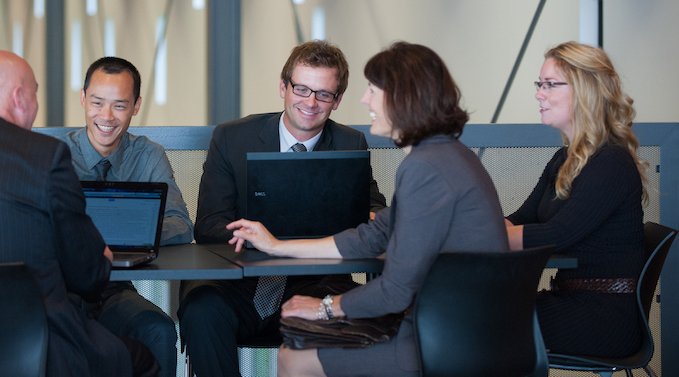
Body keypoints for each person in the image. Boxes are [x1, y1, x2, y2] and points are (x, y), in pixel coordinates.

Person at [226, 42, 509, 377]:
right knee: (297, 344)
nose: (364, 100)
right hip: (459, 328)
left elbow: (395, 290)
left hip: (448, 341)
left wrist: (326, 308)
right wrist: (275, 245)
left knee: (293, 358)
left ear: (402, 98)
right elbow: (370, 236)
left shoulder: (425, 168)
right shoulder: (447, 154)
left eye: (373, 90)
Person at [0, 50, 157, 377]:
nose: (35, 105)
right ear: (19, 97)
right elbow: (87, 276)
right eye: (34, 93)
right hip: (40, 351)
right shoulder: (45, 158)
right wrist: (100, 258)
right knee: (143, 359)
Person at [179, 40, 387, 377]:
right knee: (201, 309)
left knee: (349, 316)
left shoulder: (350, 143)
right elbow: (209, 224)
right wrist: (260, 239)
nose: (310, 102)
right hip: (237, 279)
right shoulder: (232, 137)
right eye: (301, 89)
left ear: (337, 100)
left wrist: (370, 219)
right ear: (283, 87)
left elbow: (373, 209)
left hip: (315, 281)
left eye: (323, 94)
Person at [505, 41, 648, 358]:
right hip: (570, 302)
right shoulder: (564, 158)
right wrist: (481, 228)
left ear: (586, 91)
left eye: (550, 84)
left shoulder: (611, 161)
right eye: (539, 84)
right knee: (471, 314)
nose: (539, 93)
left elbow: (557, 235)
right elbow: (521, 218)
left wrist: (476, 235)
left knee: (471, 321)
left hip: (601, 317)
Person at [59, 56, 192, 377]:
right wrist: (128, 227)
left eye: (119, 105)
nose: (106, 116)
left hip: (112, 290)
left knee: (159, 329)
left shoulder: (147, 155)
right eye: (97, 103)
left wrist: (100, 233)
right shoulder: (55, 155)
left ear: (136, 106)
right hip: (59, 290)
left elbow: (181, 226)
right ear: (82, 99)